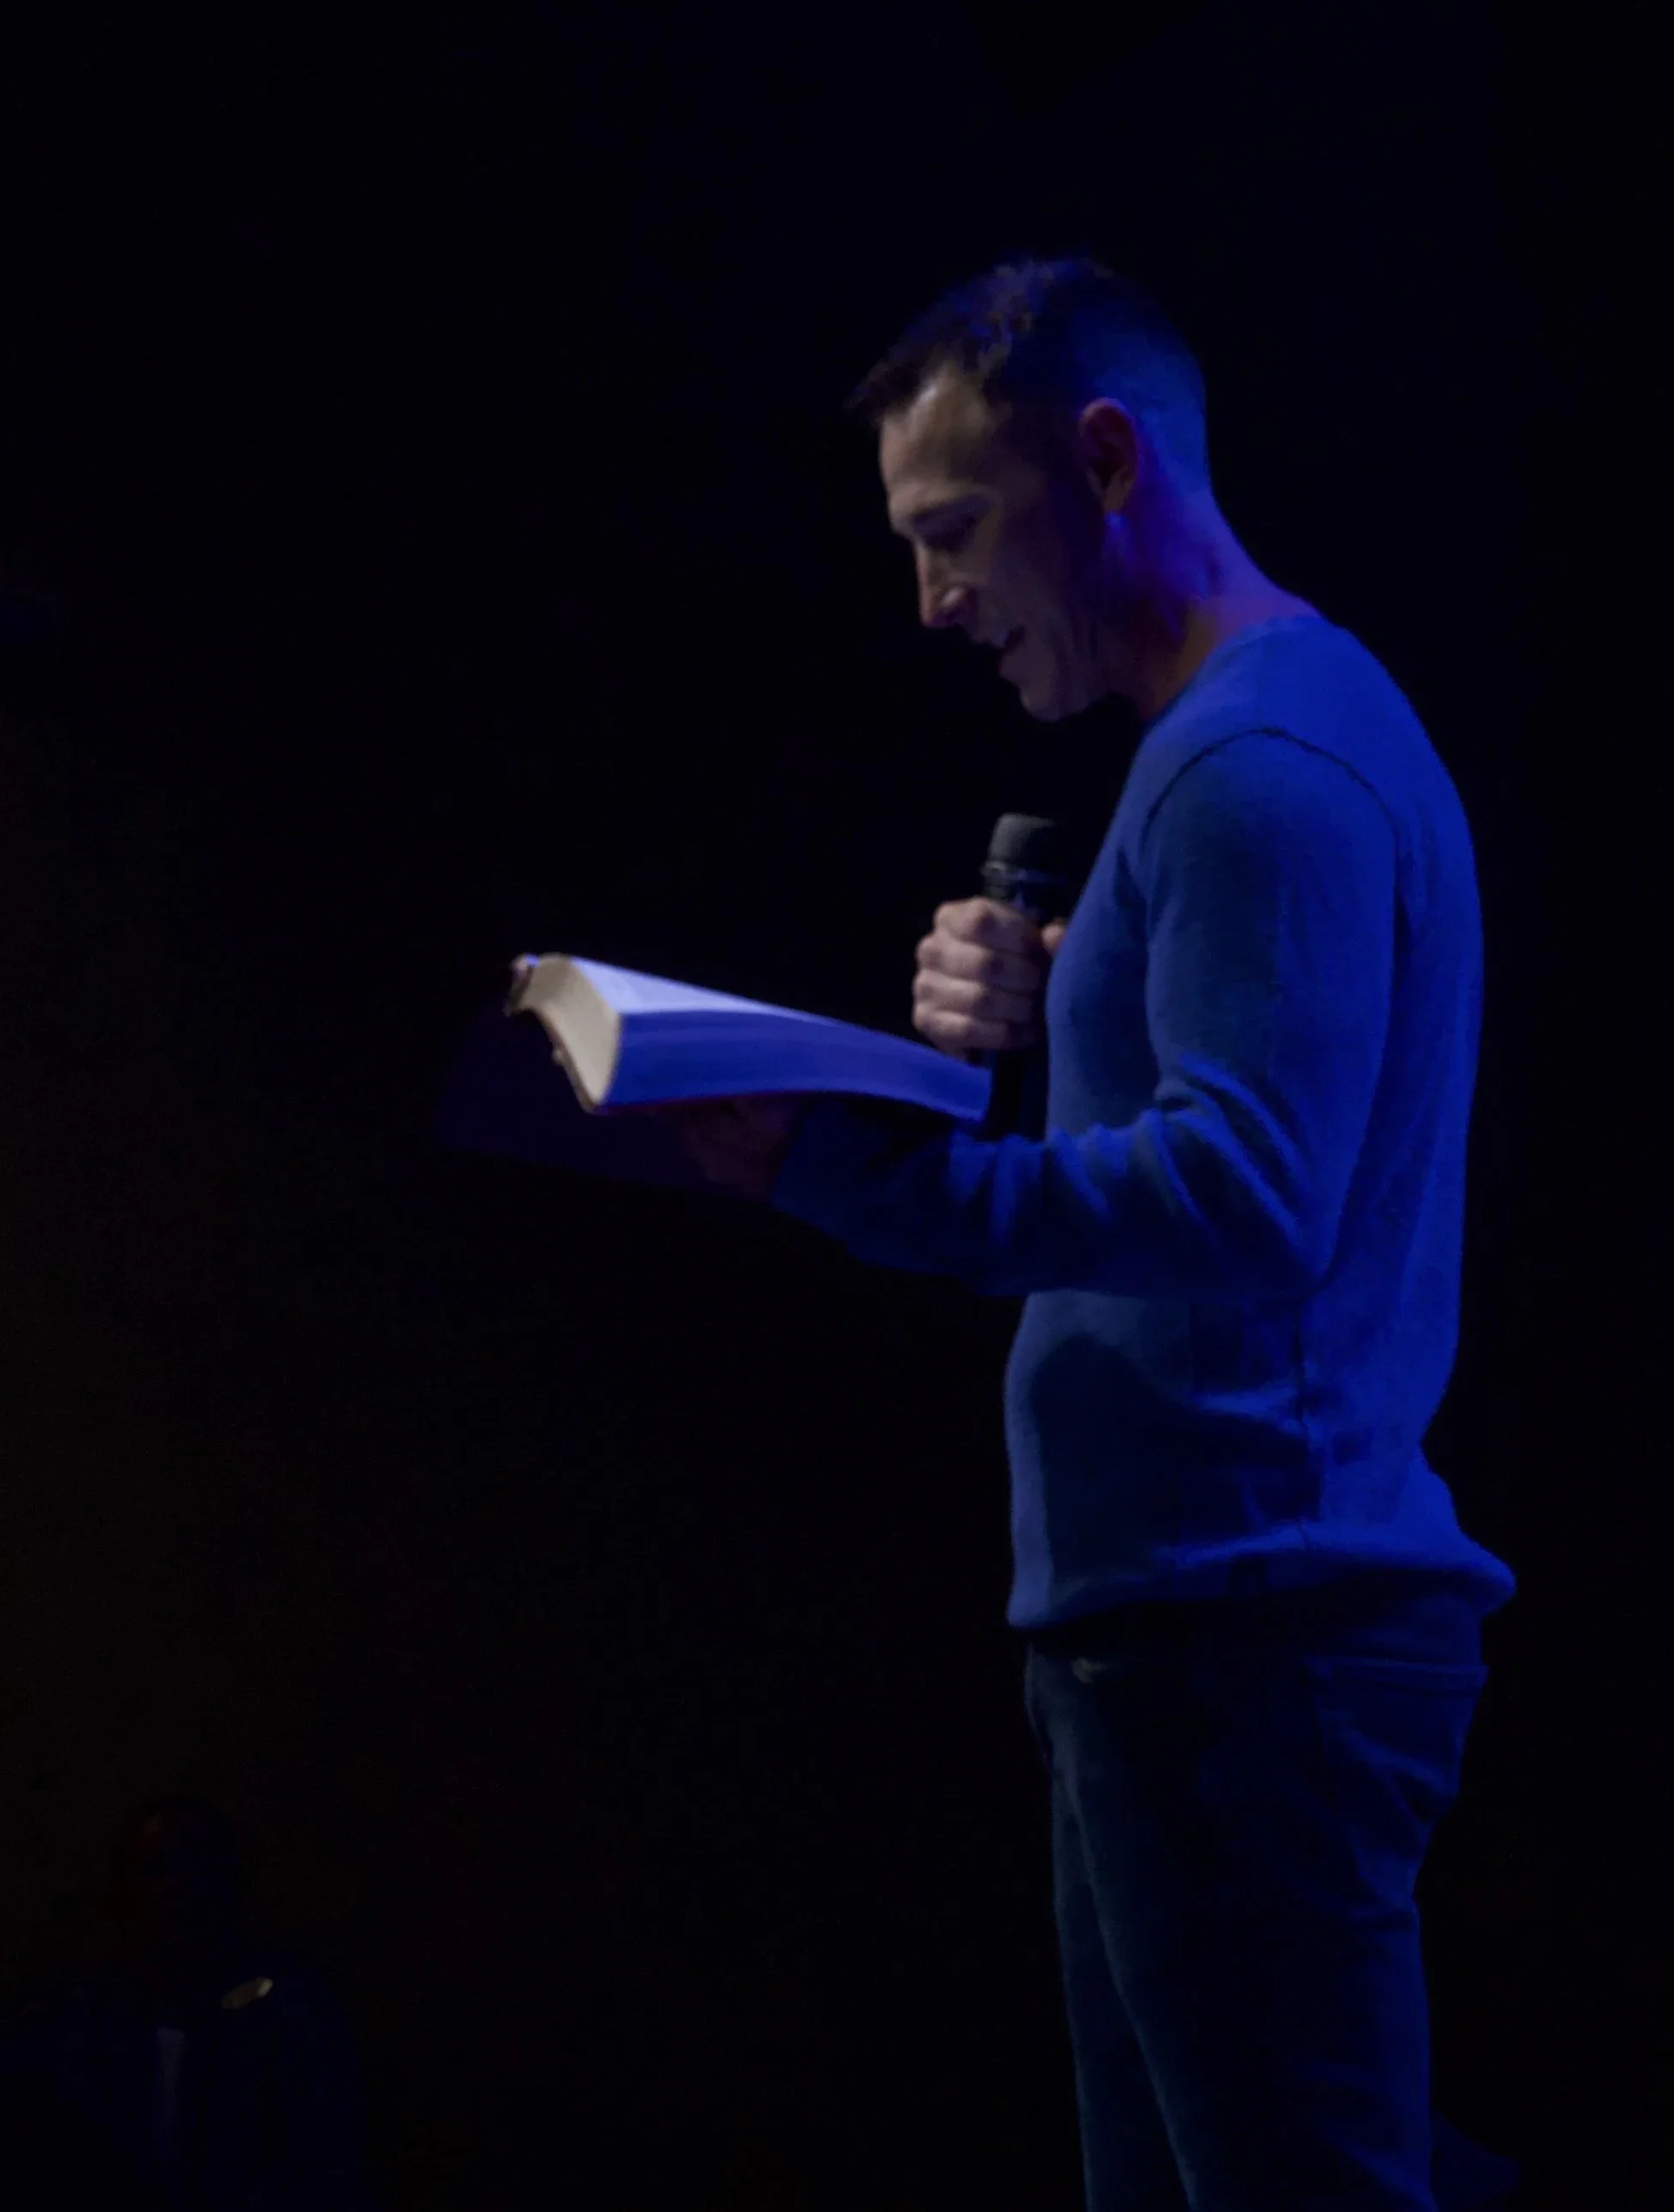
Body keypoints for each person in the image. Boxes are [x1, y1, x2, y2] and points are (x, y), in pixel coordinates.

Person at [649, 250, 1518, 2212]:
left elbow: (1245, 1199)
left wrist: (839, 1167)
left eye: (953, 527)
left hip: (1244, 1640)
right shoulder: (1242, 745)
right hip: (1201, 1636)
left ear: (1106, 459)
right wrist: (1059, 1005)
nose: (931, 597)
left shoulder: (1251, 766)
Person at [0, 1792, 381, 2209]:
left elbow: (328, 2168)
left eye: (196, 1869)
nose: (176, 1890)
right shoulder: (73, 2025)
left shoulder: (293, 2019)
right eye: (156, 1870)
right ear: (122, 1892)